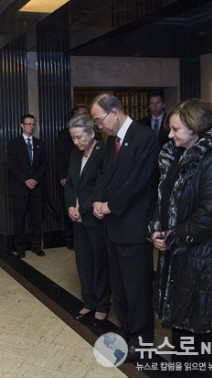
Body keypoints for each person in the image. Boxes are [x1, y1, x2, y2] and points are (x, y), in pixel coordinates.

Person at [149, 99, 212, 375]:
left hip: (209, 259)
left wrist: (172, 236)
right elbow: (164, 201)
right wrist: (158, 229)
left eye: (176, 129)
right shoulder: (177, 157)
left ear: (194, 128)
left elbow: (209, 216)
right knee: (182, 324)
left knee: (202, 326)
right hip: (182, 254)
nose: (170, 135)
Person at [90, 93, 159, 360]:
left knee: (137, 285)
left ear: (115, 112)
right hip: (112, 225)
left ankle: (142, 337)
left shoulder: (144, 137)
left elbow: (139, 181)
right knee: (119, 284)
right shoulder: (111, 141)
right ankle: (127, 330)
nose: (99, 126)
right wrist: (97, 200)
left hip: (131, 223)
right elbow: (103, 175)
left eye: (99, 120)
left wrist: (110, 205)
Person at [63, 115, 110, 327]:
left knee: (99, 262)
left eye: (80, 137)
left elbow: (103, 185)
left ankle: (102, 305)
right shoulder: (75, 154)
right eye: (73, 138)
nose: (76, 142)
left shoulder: (105, 153)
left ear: (92, 133)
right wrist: (70, 206)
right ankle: (88, 300)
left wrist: (83, 208)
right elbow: (71, 183)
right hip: (78, 218)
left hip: (95, 218)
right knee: (83, 261)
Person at [7, 114, 47, 258]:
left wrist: (35, 179)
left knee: (37, 219)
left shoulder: (40, 143)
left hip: (36, 188)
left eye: (33, 124)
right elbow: (12, 165)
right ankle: (20, 248)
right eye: (28, 124)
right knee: (19, 219)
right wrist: (26, 180)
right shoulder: (14, 143)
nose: (31, 126)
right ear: (21, 125)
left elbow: (44, 164)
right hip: (20, 188)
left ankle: (36, 246)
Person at [55, 105, 90, 250]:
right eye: (83, 114)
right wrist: (63, 177)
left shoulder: (95, 135)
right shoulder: (65, 134)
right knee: (70, 209)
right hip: (70, 178)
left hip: (86, 181)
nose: (87, 115)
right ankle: (71, 240)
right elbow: (60, 157)